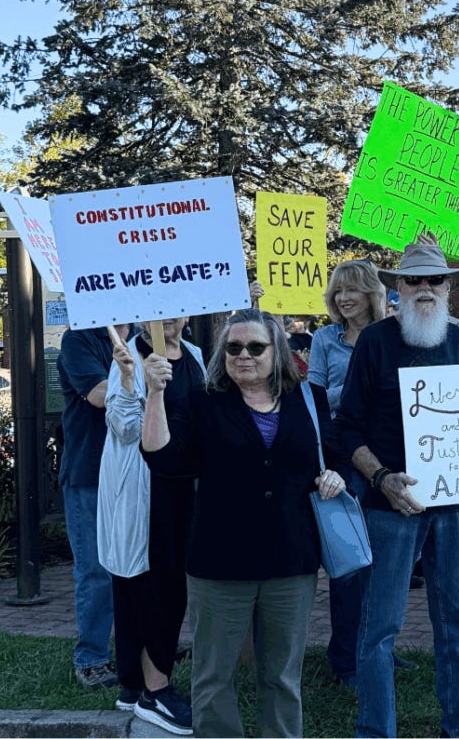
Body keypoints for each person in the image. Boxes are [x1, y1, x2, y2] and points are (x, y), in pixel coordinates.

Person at [141, 309, 347, 737]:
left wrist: (334, 475)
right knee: (213, 678)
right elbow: (162, 458)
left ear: (278, 351)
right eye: (233, 347)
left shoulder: (307, 399)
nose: (244, 355)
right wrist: (154, 394)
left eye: (256, 347)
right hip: (220, 562)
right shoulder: (203, 401)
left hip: (291, 561)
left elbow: (333, 454)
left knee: (282, 678)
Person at [336, 238, 459, 739]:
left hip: (452, 502)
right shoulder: (375, 342)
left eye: (435, 280)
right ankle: (375, 731)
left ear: (449, 287)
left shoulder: (455, 340)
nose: (425, 288)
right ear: (396, 287)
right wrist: (381, 478)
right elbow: (347, 429)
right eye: (414, 280)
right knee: (381, 626)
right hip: (391, 505)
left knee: (456, 619)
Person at [99, 318, 206, 732]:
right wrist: (130, 381)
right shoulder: (131, 356)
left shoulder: (195, 355)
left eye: (178, 309)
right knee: (148, 587)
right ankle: (154, 690)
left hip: (185, 489)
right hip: (146, 489)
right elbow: (123, 427)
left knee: (168, 585)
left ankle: (135, 683)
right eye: (161, 310)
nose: (171, 319)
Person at [307, 259, 394, 687]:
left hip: (388, 456)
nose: (343, 298)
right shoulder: (325, 338)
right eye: (338, 290)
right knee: (350, 561)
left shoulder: (390, 334)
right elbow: (318, 399)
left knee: (386, 560)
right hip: (345, 455)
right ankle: (345, 659)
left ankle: (379, 649)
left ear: (371, 294)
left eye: (353, 289)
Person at [57, 322, 131, 689]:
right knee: (96, 571)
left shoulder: (148, 334)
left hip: (137, 471)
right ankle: (91, 658)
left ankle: (141, 648)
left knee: (140, 564)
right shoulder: (78, 338)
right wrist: (142, 382)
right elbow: (100, 395)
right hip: (91, 472)